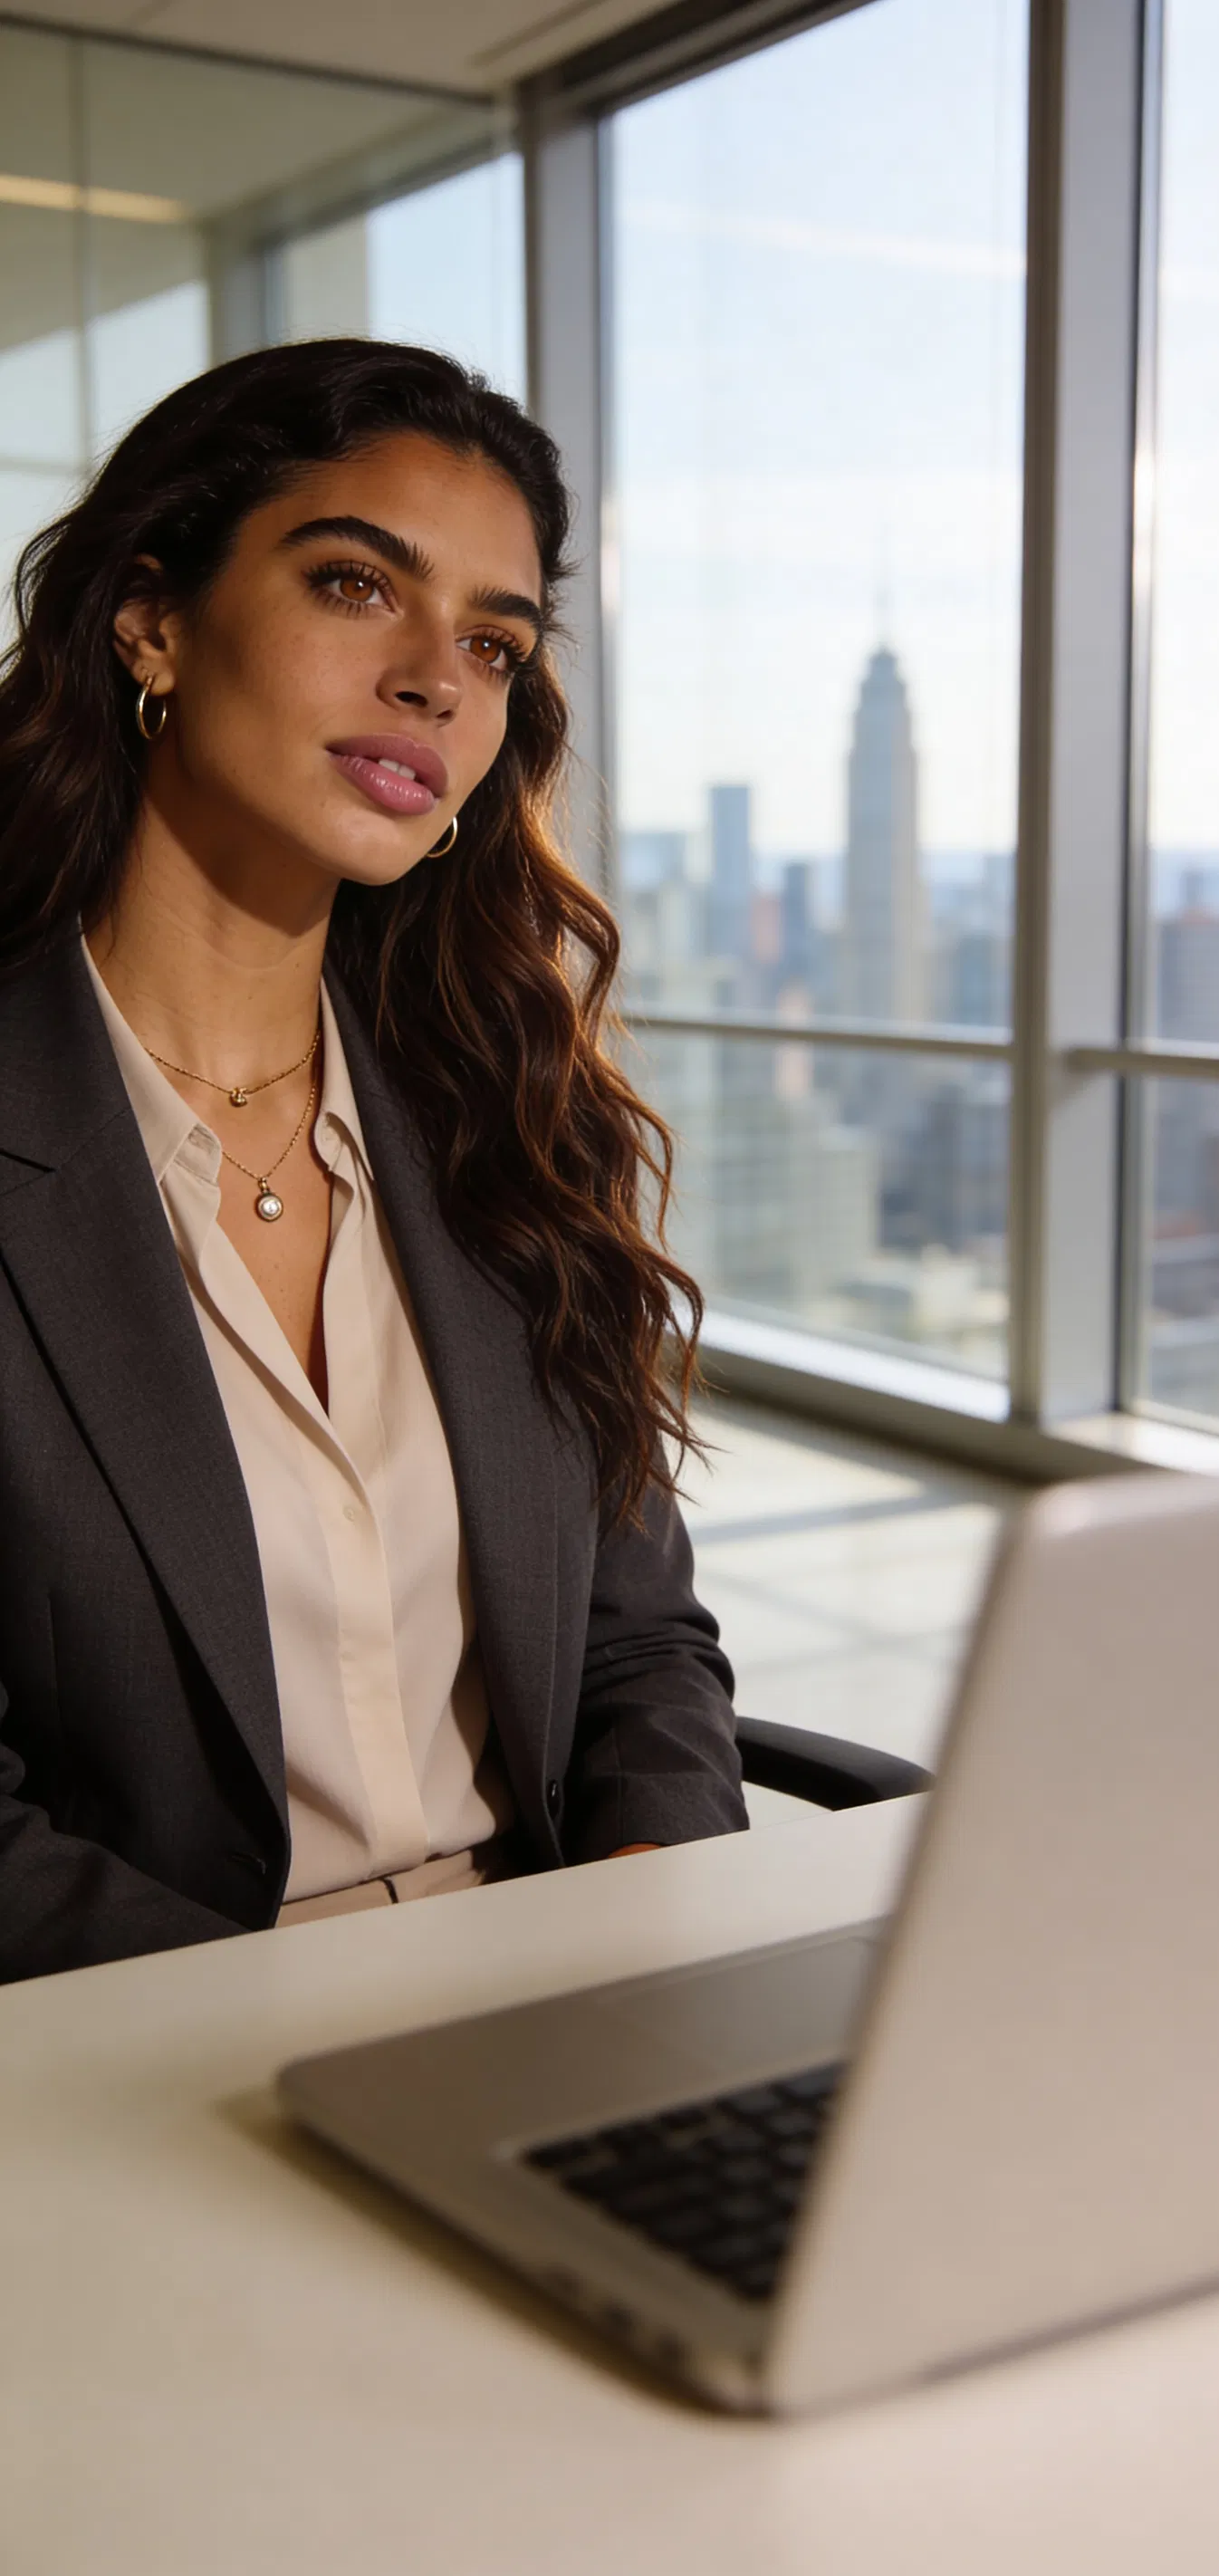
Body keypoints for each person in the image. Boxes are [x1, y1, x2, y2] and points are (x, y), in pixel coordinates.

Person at [0, 339, 745, 1985]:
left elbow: (639, 1649)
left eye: (494, 641)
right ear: (152, 621)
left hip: (550, 1998)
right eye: (355, 585)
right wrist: (302, 2053)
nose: (439, 680)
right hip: (148, 2057)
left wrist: (645, 1943)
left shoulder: (511, 1128)